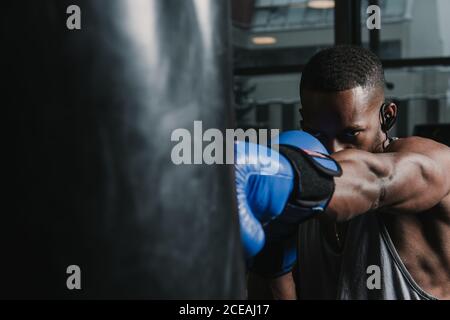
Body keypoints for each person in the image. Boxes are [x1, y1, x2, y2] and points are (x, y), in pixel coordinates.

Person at [236, 45, 450, 300]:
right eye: (317, 134)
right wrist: (274, 265)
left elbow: (379, 180)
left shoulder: (432, 162)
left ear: (387, 116)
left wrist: (289, 178)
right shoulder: (298, 188)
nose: (333, 150)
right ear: (303, 122)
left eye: (350, 134)